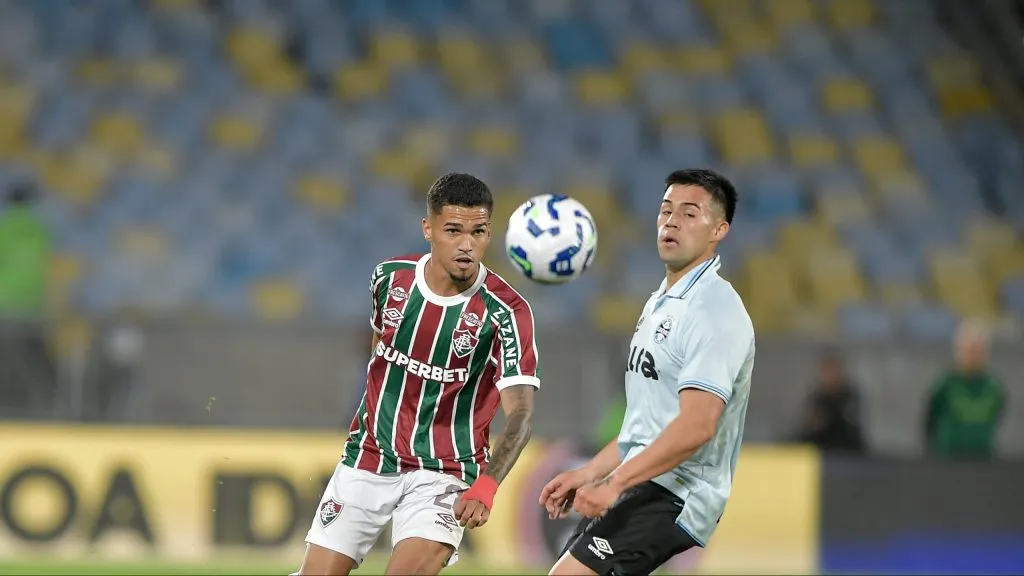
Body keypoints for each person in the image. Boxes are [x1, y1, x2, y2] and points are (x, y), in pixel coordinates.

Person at [296, 173, 540, 575]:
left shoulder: (507, 312)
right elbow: (380, 353)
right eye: (453, 231)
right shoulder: (389, 279)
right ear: (428, 228)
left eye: (478, 232)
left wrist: (488, 483)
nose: (467, 244)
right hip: (370, 456)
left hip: (446, 472)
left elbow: (522, 415)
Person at [540, 169, 755, 576]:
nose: (671, 221)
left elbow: (698, 425)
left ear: (719, 230)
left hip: (677, 492)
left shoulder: (715, 311)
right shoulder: (662, 301)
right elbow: (645, 429)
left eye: (689, 213)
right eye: (666, 210)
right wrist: (591, 472)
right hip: (646, 481)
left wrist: (615, 483)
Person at [924, 320, 1005, 459]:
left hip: (983, 460)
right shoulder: (945, 385)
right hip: (948, 459)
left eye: (978, 351)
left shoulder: (993, 388)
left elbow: (998, 416)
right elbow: (929, 420)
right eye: (969, 350)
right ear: (958, 351)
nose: (973, 356)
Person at [796, 347, 867, 454]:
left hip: (847, 452)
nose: (828, 376)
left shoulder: (849, 397)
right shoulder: (817, 398)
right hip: (822, 452)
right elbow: (808, 429)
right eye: (825, 371)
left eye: (832, 370)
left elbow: (851, 429)